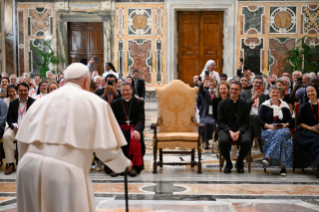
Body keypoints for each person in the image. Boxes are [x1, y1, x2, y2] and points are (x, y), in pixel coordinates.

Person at [15, 63, 131, 212]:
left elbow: (22, 141)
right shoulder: (94, 102)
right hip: (63, 173)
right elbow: (107, 150)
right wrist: (123, 164)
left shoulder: (39, 103)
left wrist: (25, 164)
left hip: (27, 169)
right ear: (86, 81)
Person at [110, 81, 145, 177]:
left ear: (131, 90)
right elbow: (113, 120)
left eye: (127, 90)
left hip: (133, 128)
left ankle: (134, 166)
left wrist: (137, 129)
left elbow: (141, 119)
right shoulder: (115, 103)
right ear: (120, 91)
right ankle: (116, 167)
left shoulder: (139, 102)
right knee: (115, 140)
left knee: (135, 138)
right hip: (119, 128)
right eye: (123, 90)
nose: (125, 92)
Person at [259, 85, 293, 176]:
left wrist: (285, 124)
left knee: (282, 133)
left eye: (277, 92)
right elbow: (260, 120)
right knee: (283, 140)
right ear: (269, 94)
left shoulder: (284, 105)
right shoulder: (264, 106)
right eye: (273, 92)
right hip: (268, 130)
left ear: (280, 94)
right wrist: (269, 127)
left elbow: (290, 120)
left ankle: (268, 157)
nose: (275, 94)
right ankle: (283, 169)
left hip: (283, 128)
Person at [217, 81, 251, 173]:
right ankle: (228, 163)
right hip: (226, 129)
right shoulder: (222, 104)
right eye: (231, 88)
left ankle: (239, 162)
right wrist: (230, 131)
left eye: (236, 89)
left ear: (240, 91)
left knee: (247, 141)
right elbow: (220, 121)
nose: (233, 91)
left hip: (241, 129)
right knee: (223, 141)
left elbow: (246, 122)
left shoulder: (245, 105)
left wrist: (239, 131)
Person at [3, 83, 36, 175]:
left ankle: (28, 164)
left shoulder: (34, 102)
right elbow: (9, 118)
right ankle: (10, 164)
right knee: (6, 136)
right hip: (15, 128)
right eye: (21, 90)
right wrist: (14, 126)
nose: (23, 92)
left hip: (29, 129)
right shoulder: (13, 103)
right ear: (18, 91)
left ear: (28, 91)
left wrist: (26, 126)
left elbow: (36, 117)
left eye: (25, 90)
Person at [294, 85, 319, 176]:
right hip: (307, 130)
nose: (310, 93)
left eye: (312, 90)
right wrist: (311, 128)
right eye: (308, 91)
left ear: (316, 92)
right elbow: (300, 122)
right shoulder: (304, 106)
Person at [240, 76, 269, 153]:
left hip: (259, 120)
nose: (258, 84)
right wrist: (253, 98)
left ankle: (247, 152)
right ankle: (259, 140)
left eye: (260, 83)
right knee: (254, 118)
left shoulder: (264, 96)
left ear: (262, 85)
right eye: (256, 82)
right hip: (246, 117)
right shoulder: (245, 93)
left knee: (253, 123)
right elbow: (242, 107)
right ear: (252, 83)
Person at [198, 76, 217, 149]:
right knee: (206, 123)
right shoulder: (206, 92)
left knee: (212, 122)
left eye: (212, 82)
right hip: (206, 113)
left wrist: (212, 79)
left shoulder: (218, 91)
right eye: (210, 82)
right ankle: (206, 142)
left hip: (215, 113)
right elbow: (200, 90)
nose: (211, 83)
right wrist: (203, 81)